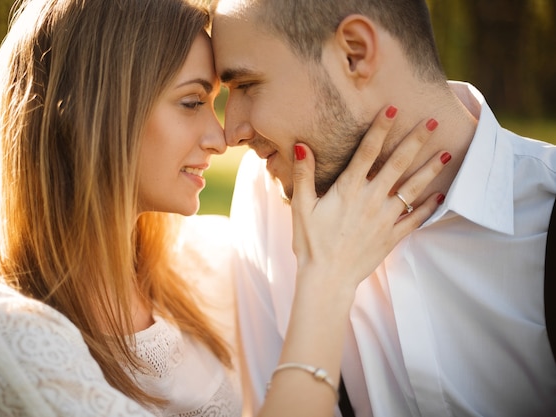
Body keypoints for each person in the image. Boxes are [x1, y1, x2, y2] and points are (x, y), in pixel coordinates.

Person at [0, 0, 449, 416]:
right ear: (96, 113)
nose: (220, 135)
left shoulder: (204, 269)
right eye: (192, 101)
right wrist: (327, 283)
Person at [210, 0, 556, 416]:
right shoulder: (269, 199)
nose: (231, 132)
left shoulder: (546, 206)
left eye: (247, 85)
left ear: (355, 52)